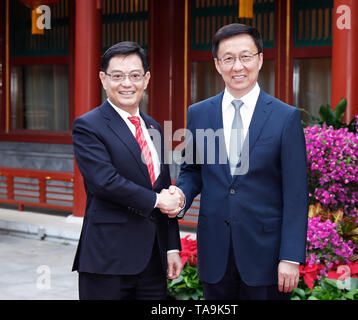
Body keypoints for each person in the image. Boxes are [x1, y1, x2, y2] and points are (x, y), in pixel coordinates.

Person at [166, 24, 309, 300]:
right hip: (215, 251)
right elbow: (192, 170)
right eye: (229, 58)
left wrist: (291, 256)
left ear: (260, 59)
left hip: (265, 254)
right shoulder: (199, 113)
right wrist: (181, 195)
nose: (238, 66)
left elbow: (296, 193)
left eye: (246, 56)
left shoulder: (285, 117)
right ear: (218, 65)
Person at [72, 41, 184, 300]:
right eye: (117, 76)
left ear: (146, 79)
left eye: (135, 76)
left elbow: (164, 187)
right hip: (108, 260)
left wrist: (171, 248)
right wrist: (157, 200)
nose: (127, 83)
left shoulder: (154, 127)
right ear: (103, 79)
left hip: (153, 262)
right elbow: (104, 181)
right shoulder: (89, 126)